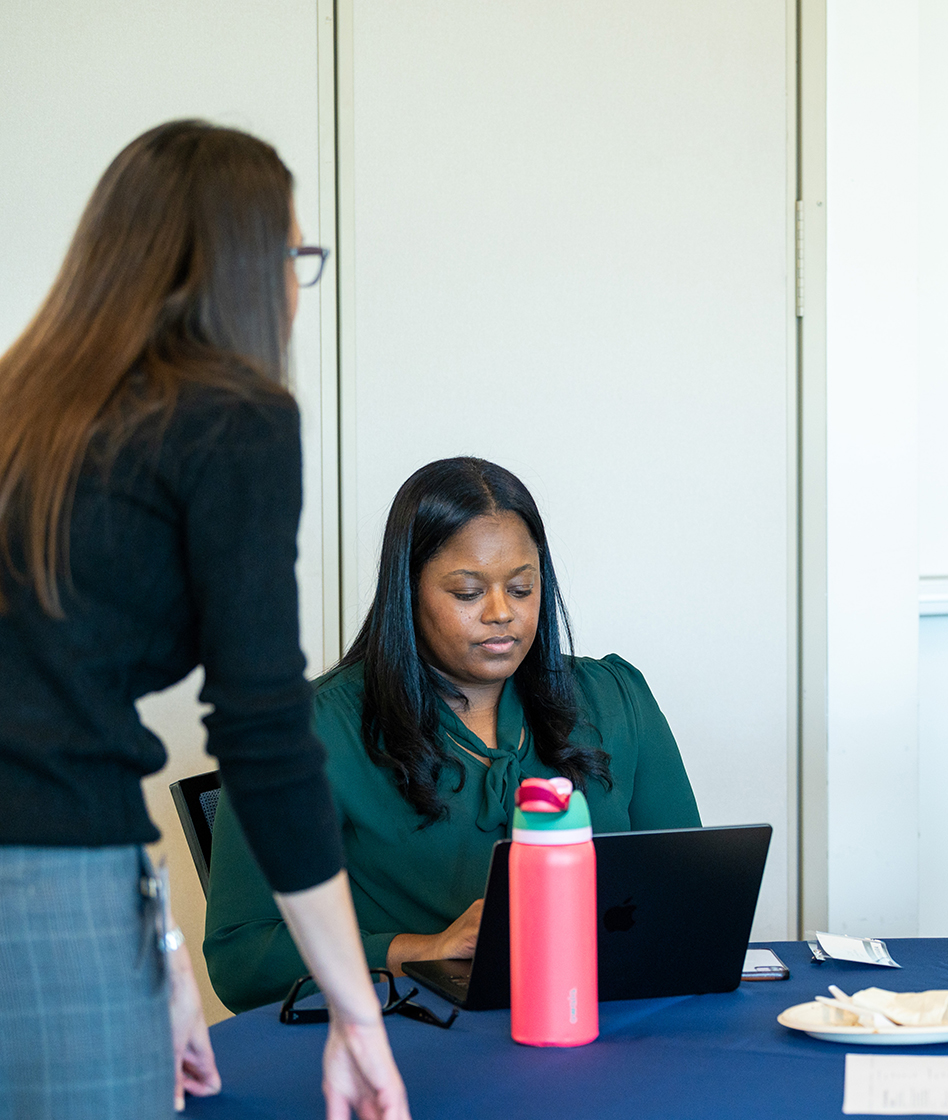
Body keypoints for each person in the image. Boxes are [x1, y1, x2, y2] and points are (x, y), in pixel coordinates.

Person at [0, 122, 408, 1118]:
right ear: (244, 267)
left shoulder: (24, 410)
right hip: (43, 888)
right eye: (294, 257)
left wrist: (158, 951)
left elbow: (49, 697)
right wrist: (357, 1015)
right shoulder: (235, 417)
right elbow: (262, 730)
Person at [205, 457, 702, 1012]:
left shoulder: (615, 698)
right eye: (468, 593)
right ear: (408, 591)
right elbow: (240, 957)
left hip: (606, 1020)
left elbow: (691, 894)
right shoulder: (306, 733)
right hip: (423, 1036)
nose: (501, 613)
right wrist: (422, 950)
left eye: (522, 588)